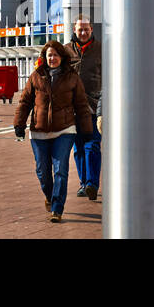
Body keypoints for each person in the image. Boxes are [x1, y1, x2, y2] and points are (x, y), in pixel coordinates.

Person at [13, 40, 92, 223]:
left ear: (62, 57)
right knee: (42, 172)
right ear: (44, 57)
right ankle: (50, 196)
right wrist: (19, 124)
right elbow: (25, 102)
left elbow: (81, 104)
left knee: (60, 170)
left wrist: (87, 129)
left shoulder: (72, 77)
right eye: (49, 55)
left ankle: (57, 209)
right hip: (39, 132)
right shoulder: (36, 76)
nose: (52, 58)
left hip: (65, 130)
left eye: (56, 55)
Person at [64, 16, 102, 200]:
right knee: (78, 147)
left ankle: (92, 184)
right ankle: (83, 183)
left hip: (94, 106)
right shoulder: (66, 51)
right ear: (74, 30)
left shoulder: (102, 50)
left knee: (92, 145)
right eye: (80, 29)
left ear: (91, 29)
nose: (83, 32)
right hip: (72, 108)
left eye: (86, 29)